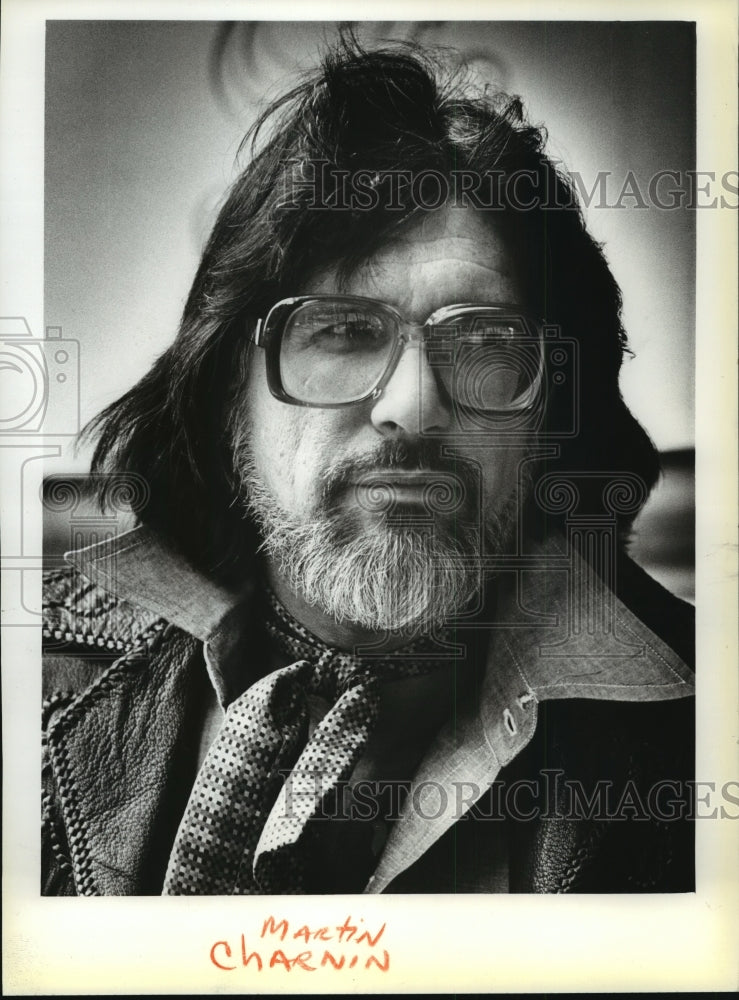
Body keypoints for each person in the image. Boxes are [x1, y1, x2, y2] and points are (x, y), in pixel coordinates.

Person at [41, 39, 695, 896]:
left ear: (546, 419)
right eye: (344, 332)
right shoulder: (36, 672)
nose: (413, 407)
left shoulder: (702, 728)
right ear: (226, 393)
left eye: (485, 342)